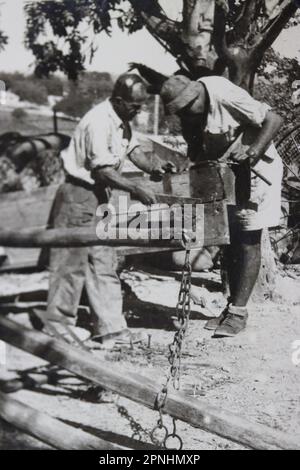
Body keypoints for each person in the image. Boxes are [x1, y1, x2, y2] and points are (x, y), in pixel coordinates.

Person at [44, 73, 170, 348]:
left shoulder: (121, 120)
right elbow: (102, 171)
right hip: (78, 194)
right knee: (70, 263)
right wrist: (136, 190)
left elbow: (133, 150)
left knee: (103, 263)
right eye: (134, 106)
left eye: (141, 105)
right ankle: (57, 327)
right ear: (117, 100)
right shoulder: (98, 121)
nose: (139, 110)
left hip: (100, 196)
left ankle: (111, 330)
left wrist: (154, 167)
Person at [160, 74, 283, 337]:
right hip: (226, 174)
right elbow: (196, 149)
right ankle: (231, 307)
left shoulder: (225, 95)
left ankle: (239, 312)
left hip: (257, 170)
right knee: (230, 238)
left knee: (248, 239)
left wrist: (252, 152)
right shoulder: (190, 114)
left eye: (187, 110)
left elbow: (275, 119)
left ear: (196, 96)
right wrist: (185, 167)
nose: (186, 117)